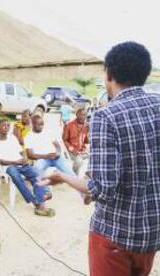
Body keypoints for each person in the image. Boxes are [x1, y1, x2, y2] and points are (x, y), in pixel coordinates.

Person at [41, 42, 160, 275]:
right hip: (151, 235)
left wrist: (62, 177)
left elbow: (102, 188)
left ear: (110, 73)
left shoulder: (106, 116)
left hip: (115, 235)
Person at [0, 119, 54, 216]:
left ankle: (41, 203)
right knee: (17, 178)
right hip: (8, 166)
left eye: (8, 125)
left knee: (36, 175)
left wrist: (25, 158)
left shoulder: (12, 138)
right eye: (4, 125)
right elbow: (1, 161)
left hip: (21, 163)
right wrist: (15, 162)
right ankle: (35, 202)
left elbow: (21, 151)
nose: (6, 127)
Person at [62, 107, 89, 175]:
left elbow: (86, 141)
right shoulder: (69, 125)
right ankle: (73, 175)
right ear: (77, 115)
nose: (83, 117)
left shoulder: (86, 126)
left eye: (85, 115)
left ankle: (89, 172)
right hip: (72, 150)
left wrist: (89, 134)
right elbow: (65, 140)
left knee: (96, 155)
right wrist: (72, 150)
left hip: (82, 150)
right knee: (79, 161)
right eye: (81, 115)